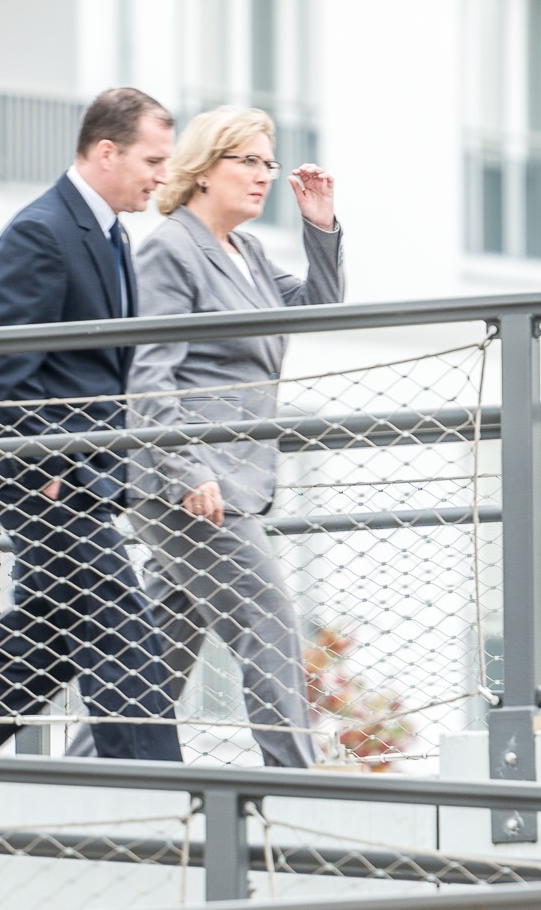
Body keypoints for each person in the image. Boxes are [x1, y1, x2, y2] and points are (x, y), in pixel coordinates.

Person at [0, 87, 185, 761]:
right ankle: (163, 795)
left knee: (37, 651)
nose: (162, 175)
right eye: (153, 158)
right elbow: (9, 361)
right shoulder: (42, 230)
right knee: (123, 629)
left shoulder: (112, 237)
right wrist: (48, 463)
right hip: (47, 478)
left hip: (86, 475)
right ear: (106, 151)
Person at [121, 105, 343, 768]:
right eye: (245, 160)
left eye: (267, 164)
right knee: (269, 619)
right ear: (201, 168)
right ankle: (298, 782)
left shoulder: (245, 252)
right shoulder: (171, 248)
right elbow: (147, 371)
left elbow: (316, 312)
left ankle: (96, 768)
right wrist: (189, 471)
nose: (261, 176)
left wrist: (320, 227)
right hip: (190, 485)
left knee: (162, 646)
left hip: (236, 479)